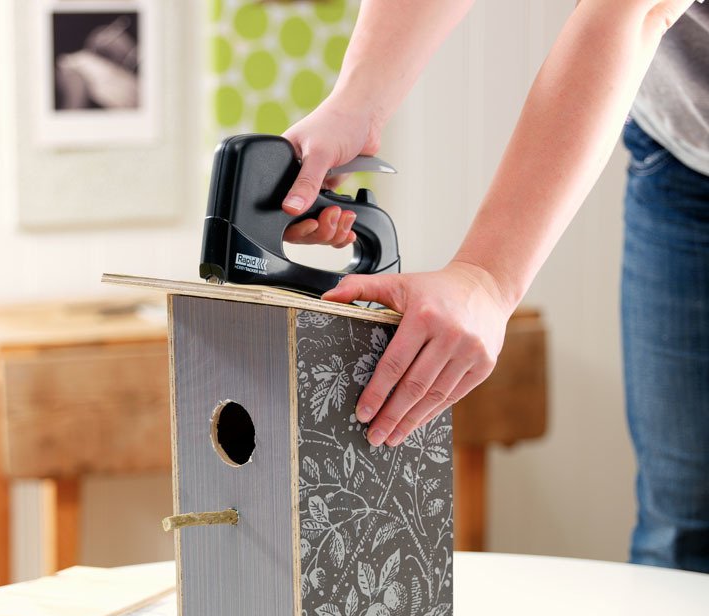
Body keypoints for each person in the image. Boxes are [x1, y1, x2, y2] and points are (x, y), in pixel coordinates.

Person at [281, 0, 709, 572]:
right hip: (683, 150)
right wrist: (355, 104)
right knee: (681, 524)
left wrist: (487, 278)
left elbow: (632, 10)